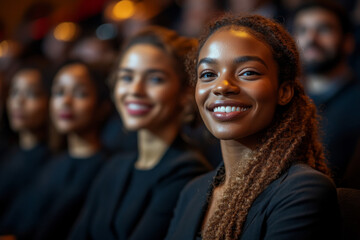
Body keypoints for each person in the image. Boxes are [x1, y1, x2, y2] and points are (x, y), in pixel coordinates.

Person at [165, 14, 340, 240]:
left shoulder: (303, 190)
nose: (222, 87)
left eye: (248, 72)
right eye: (208, 74)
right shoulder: (192, 192)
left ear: (283, 92)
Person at [69, 26, 212, 240]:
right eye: (126, 77)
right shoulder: (114, 166)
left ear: (185, 92)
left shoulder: (189, 173)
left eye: (155, 79)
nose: (135, 90)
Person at [0, 60, 111, 240]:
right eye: (59, 92)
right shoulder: (54, 162)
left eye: (80, 93)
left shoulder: (107, 168)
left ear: (103, 106)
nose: (65, 102)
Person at [292, 0, 360, 186]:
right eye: (302, 30)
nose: (311, 39)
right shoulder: (284, 101)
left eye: (323, 29)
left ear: (348, 42)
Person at [0, 62, 51, 218]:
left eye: (31, 94)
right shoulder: (7, 151)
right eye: (14, 92)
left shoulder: (50, 164)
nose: (18, 102)